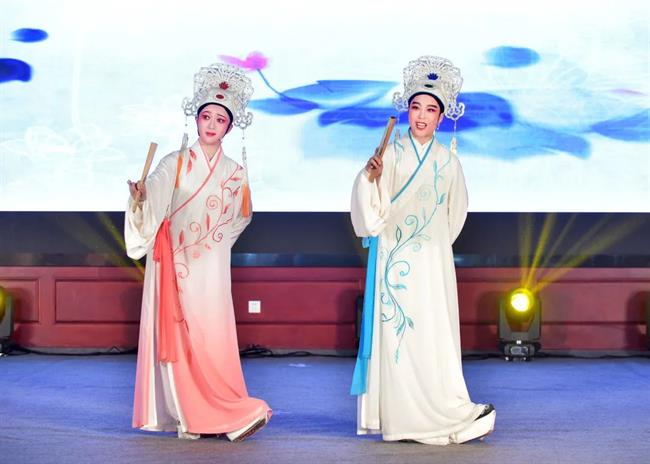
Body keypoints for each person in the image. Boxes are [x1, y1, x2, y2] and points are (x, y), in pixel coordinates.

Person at [350, 56, 495, 445]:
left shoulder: (449, 162)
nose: (422, 116)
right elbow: (371, 208)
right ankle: (406, 419)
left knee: (433, 336)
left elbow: (456, 214)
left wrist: (434, 248)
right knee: (400, 338)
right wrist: (368, 177)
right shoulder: (390, 154)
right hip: (394, 261)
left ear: (441, 117)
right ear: (408, 111)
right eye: (416, 107)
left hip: (432, 263)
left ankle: (443, 408)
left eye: (431, 110)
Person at [125, 62, 270, 441]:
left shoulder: (235, 173)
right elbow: (154, 198)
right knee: (181, 335)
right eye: (206, 117)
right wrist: (141, 198)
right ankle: (191, 416)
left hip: (210, 268)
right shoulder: (173, 163)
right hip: (174, 264)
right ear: (197, 119)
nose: (211, 125)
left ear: (229, 128)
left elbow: (239, 218)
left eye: (220, 120)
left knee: (212, 335)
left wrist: (212, 245)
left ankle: (224, 406)